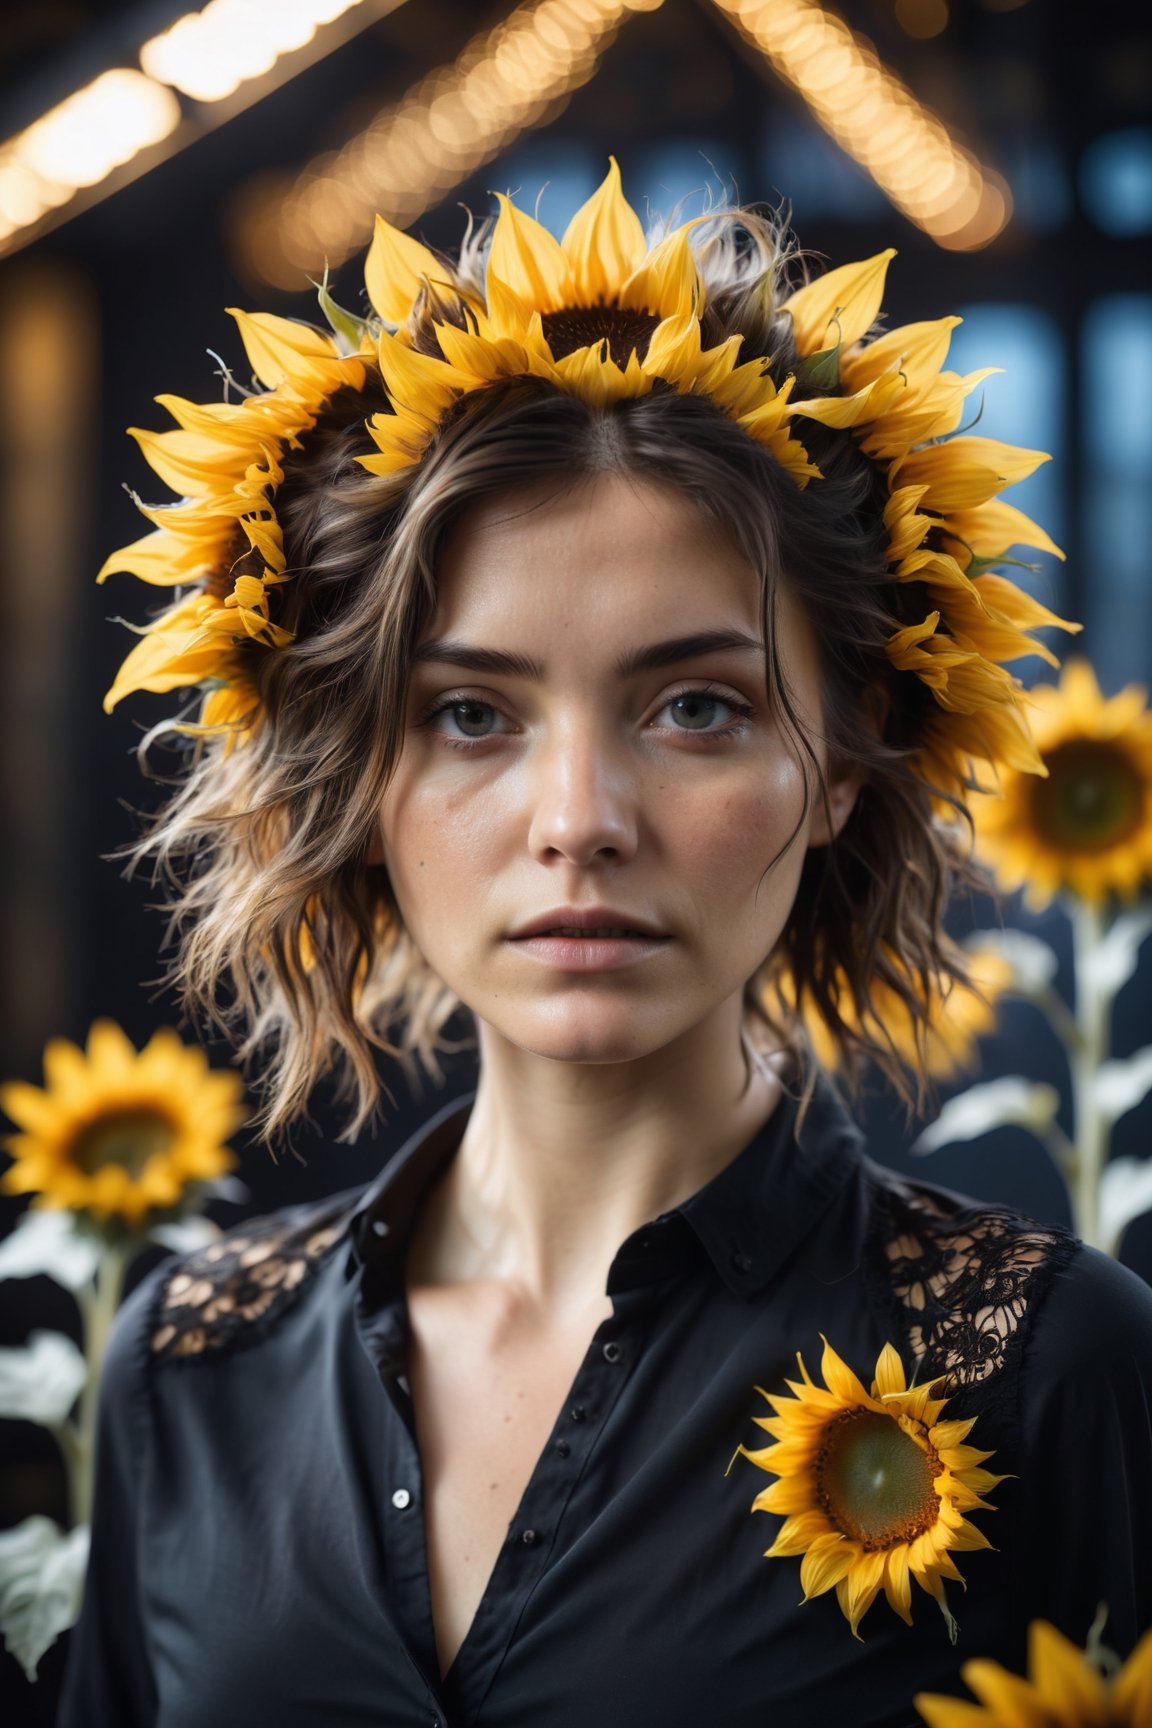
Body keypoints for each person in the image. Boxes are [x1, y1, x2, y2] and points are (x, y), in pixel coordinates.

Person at [60, 162, 1152, 1727]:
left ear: (847, 760)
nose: (579, 819)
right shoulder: (187, 1368)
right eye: (470, 714)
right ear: (358, 778)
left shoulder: (1053, 1371)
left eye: (694, 705)